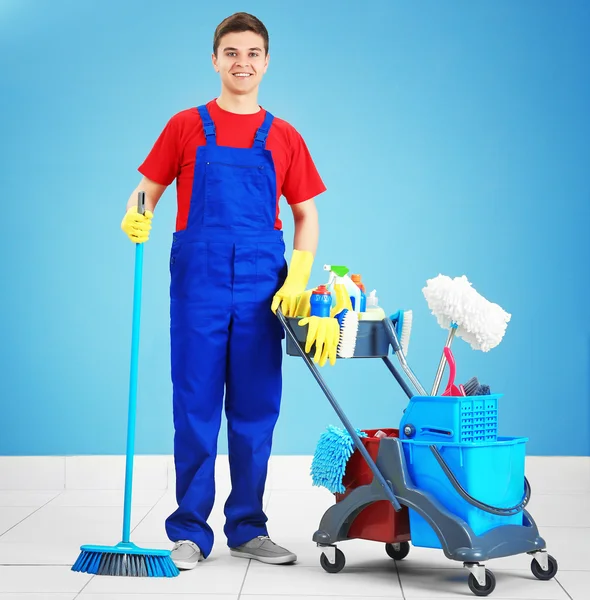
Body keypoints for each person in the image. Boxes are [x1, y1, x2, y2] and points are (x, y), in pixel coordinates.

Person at [120, 12, 333, 569]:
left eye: (253, 53)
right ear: (215, 59)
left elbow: (305, 215)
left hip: (265, 287)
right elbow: (147, 191)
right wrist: (136, 216)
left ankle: (247, 527)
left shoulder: (284, 136)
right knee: (194, 406)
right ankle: (190, 530)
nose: (242, 62)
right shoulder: (185, 126)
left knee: (255, 410)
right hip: (200, 284)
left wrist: (300, 275)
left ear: (267, 61)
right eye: (231, 52)